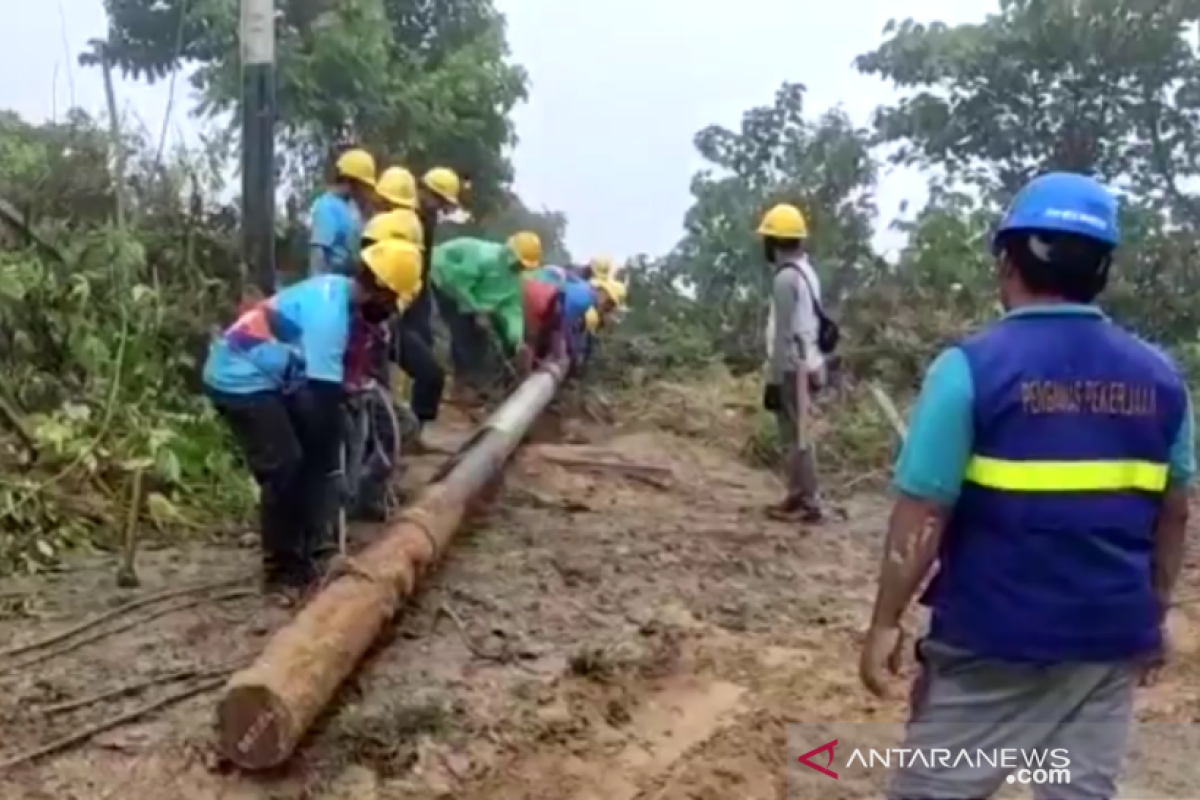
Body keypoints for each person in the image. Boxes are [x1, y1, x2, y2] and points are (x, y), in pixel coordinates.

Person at [860, 172, 1194, 800]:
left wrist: (885, 621)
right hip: (1107, 638)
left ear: (1008, 262)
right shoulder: (1164, 380)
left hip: (989, 639)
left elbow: (923, 515)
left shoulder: (969, 370)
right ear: (1101, 269)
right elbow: (1173, 514)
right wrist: (1153, 610)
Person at [203, 240, 423, 597]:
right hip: (239, 377)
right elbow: (324, 397)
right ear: (380, 291)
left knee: (310, 457)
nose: (392, 310)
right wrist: (329, 461)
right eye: (393, 301)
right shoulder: (330, 317)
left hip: (273, 377)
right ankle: (281, 569)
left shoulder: (338, 294)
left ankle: (307, 548)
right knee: (286, 465)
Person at [758, 203, 825, 524]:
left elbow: (784, 332)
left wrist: (773, 380)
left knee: (797, 437)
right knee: (796, 435)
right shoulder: (806, 271)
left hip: (791, 368)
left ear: (774, 242)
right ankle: (798, 495)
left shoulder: (786, 279)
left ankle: (808, 501)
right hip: (808, 361)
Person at [430, 232, 542, 397]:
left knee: (479, 336)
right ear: (511, 254)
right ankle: (461, 386)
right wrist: (475, 310)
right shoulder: (483, 258)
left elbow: (511, 309)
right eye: (519, 263)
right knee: (464, 332)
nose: (520, 268)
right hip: (443, 280)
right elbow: (458, 284)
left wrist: (516, 340)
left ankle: (472, 381)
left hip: (469, 295)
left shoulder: (514, 278)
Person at [399, 166, 462, 423]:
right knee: (429, 373)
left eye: (444, 204)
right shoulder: (407, 221)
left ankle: (416, 429)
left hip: (418, 305)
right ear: (425, 192)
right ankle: (403, 430)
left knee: (431, 372)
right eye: (439, 201)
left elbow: (422, 271)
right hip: (398, 308)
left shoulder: (426, 222)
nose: (440, 208)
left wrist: (426, 304)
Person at [309, 148, 377, 276]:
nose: (365, 191)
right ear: (352, 181)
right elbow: (318, 255)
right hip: (331, 284)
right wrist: (319, 287)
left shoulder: (352, 206)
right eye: (364, 185)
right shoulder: (326, 207)